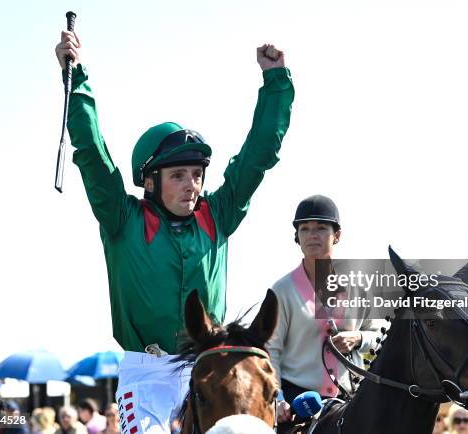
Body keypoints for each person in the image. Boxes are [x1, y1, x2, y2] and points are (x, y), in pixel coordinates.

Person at [54, 27, 294, 434]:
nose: (192, 185)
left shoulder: (217, 214)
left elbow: (258, 156)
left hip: (212, 366)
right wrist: (76, 78)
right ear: (149, 181)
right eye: (179, 175)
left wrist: (275, 83)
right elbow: (93, 154)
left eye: (197, 175)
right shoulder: (121, 219)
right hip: (146, 375)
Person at [265, 195, 382, 424]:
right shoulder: (281, 290)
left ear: (337, 235)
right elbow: (271, 352)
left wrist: (358, 338)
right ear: (297, 236)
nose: (312, 235)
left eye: (321, 228)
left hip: (353, 401)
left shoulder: (359, 285)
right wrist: (276, 399)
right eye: (305, 228)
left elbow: (382, 334)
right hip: (296, 404)